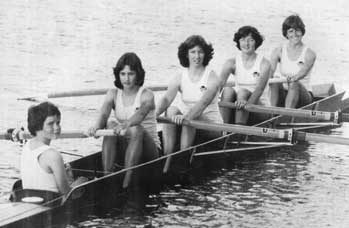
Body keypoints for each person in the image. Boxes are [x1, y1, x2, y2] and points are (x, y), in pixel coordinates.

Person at [87, 52, 161, 189]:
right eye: (123, 74)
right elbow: (104, 115)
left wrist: (125, 124)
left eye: (131, 74)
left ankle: (126, 183)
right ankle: (107, 176)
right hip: (127, 146)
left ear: (138, 74)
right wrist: (96, 127)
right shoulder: (113, 94)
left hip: (150, 151)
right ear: (118, 75)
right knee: (110, 124)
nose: (126, 79)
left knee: (136, 128)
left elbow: (140, 114)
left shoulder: (147, 95)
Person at [155, 35, 223, 170]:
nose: (197, 56)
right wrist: (153, 114)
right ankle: (166, 157)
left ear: (205, 54)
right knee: (171, 110)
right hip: (189, 123)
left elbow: (202, 104)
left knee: (190, 118)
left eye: (200, 52)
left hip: (212, 127)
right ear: (186, 54)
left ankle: (182, 161)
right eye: (193, 52)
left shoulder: (213, 78)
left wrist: (186, 117)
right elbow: (167, 98)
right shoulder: (180, 76)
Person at [20, 102, 87, 197]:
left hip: (30, 198)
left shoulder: (27, 146)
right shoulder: (53, 155)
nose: (57, 127)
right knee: (84, 180)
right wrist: (72, 180)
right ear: (38, 125)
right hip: (52, 204)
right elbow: (67, 194)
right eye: (51, 124)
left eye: (58, 122)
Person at [219, 25, 271, 125]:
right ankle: (223, 128)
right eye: (242, 40)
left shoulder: (264, 64)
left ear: (256, 42)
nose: (246, 44)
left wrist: (246, 105)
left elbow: (259, 90)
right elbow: (218, 86)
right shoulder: (231, 62)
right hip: (239, 106)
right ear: (238, 42)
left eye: (250, 40)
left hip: (258, 108)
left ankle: (239, 130)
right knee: (227, 90)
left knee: (242, 92)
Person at [269, 14, 316, 108]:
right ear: (286, 34)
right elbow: (269, 73)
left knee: (294, 83)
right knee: (274, 80)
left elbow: (302, 73)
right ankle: (271, 113)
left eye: (297, 30)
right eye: (291, 31)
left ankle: (286, 115)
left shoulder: (310, 54)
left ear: (302, 32)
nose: (294, 34)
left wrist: (293, 78)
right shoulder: (278, 51)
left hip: (304, 96)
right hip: (285, 93)